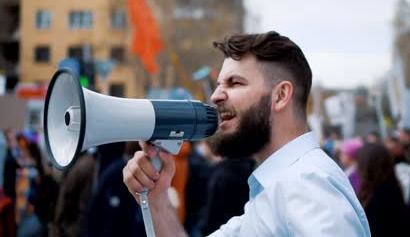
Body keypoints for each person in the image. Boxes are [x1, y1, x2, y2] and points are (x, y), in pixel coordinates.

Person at [123, 31, 371, 236]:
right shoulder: (275, 188)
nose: (216, 95)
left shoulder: (305, 183)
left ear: (281, 95)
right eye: (219, 84)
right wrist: (156, 198)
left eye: (235, 83)